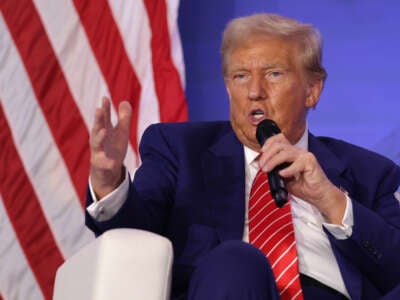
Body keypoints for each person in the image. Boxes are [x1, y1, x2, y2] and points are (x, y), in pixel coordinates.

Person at [85, 13, 400, 300]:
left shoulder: (369, 172)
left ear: (312, 90)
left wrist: (331, 200)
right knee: (236, 261)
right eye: (240, 76)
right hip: (231, 286)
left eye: (273, 74)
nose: (254, 91)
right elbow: (133, 234)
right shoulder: (179, 149)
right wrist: (109, 182)